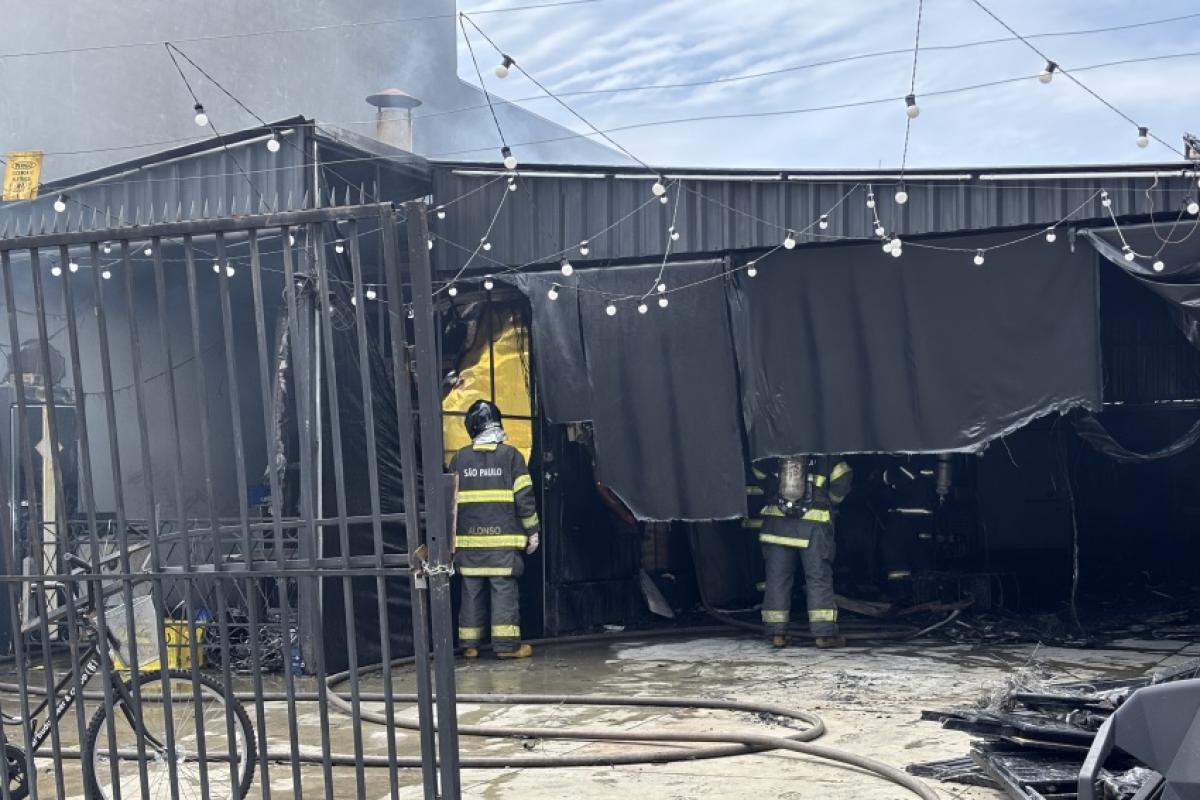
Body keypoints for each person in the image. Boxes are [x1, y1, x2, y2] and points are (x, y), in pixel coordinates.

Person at [450, 400, 540, 659]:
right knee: (503, 590)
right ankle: (506, 647)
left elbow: (449, 504)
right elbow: (524, 499)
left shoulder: (459, 459)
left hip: (469, 545)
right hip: (503, 545)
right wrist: (533, 531)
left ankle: (469, 645)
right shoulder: (511, 456)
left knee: (471, 591)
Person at [756, 455, 853, 649]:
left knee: (777, 579)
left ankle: (777, 633)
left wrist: (771, 490)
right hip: (814, 526)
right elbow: (842, 478)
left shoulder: (773, 449)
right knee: (817, 578)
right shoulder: (825, 452)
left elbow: (757, 471)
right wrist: (831, 501)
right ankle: (824, 635)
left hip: (776, 525)